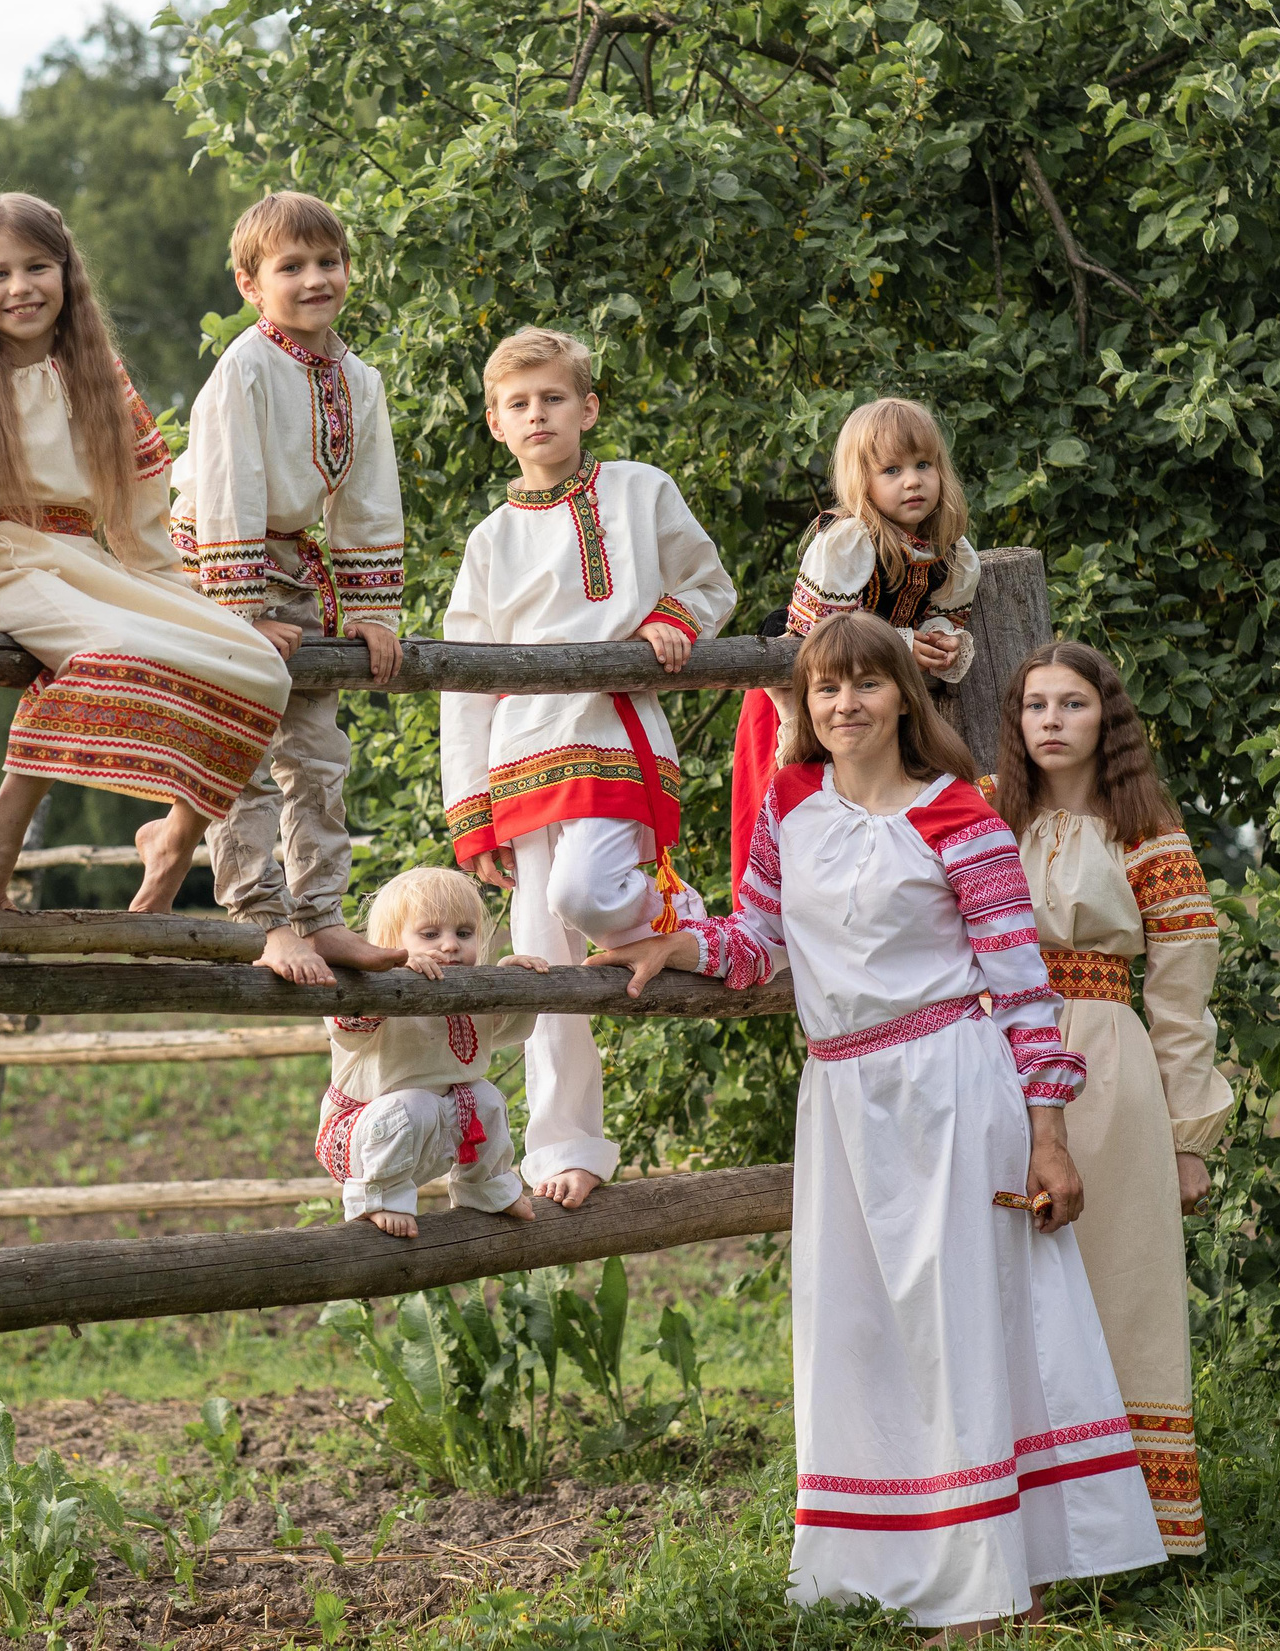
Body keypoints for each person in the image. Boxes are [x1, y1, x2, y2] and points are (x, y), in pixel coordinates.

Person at [597, 613, 1164, 1632]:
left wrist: (1046, 1133)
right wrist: (676, 948)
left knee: (960, 1328)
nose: (844, 703)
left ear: (905, 695)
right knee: (858, 1329)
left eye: (865, 683)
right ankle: (885, 1562)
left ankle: (988, 1583)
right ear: (806, 709)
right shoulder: (789, 800)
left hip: (950, 1088)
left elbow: (1021, 987)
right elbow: (756, 938)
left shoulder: (960, 817)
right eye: (824, 689)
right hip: (844, 1102)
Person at [0, 194, 293, 912]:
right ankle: (3, 818)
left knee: (259, 666)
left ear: (67, 273)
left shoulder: (99, 374)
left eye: (37, 267)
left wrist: (179, 591)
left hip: (92, 562)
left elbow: (147, 488)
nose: (21, 287)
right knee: (110, 650)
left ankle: (176, 833)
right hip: (8, 560)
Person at [439, 328, 737, 1210]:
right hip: (520, 764)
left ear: (587, 408)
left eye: (554, 398)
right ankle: (564, 1145)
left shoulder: (641, 492)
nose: (538, 414)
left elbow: (709, 581)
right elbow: (461, 677)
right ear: (496, 423)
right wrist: (470, 811)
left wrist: (675, 617)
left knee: (585, 895)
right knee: (542, 965)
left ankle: (676, 915)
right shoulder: (488, 540)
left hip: (615, 735)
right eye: (519, 404)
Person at [994, 641, 1230, 1558]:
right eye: (1035, 705)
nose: (1051, 720)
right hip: (998, 1055)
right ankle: (1019, 1521)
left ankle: (1132, 1526)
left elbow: (1181, 992)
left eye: (1073, 704)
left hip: (1107, 1058)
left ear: (1109, 719)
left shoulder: (1144, 827)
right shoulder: (982, 810)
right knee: (1010, 1278)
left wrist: (1189, 1136)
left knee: (1117, 1280)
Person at [171, 191, 408, 983]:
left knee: (317, 752)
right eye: (292, 266)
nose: (316, 278)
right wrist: (237, 615)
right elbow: (228, 487)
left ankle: (322, 912)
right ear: (250, 284)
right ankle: (263, 919)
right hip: (219, 565)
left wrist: (373, 611)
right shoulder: (244, 366)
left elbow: (368, 494)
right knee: (244, 746)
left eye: (329, 262)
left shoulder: (358, 378)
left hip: (298, 572)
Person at [728, 397, 979, 900]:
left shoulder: (951, 550)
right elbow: (823, 631)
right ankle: (772, 916)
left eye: (923, 465)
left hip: (871, 691)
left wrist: (939, 641)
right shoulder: (850, 539)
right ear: (861, 481)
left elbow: (946, 614)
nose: (912, 481)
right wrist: (903, 645)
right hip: (807, 677)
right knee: (789, 790)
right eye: (892, 470)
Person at [316, 866, 546, 1236]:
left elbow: (503, 1024)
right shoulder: (376, 988)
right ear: (390, 943)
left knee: (486, 1098)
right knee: (415, 1104)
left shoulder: (464, 990)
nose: (451, 944)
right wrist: (390, 978)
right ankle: (378, 1198)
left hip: (433, 1135)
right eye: (430, 934)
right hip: (361, 1138)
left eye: (464, 933)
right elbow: (346, 1026)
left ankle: (483, 1188)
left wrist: (510, 980)